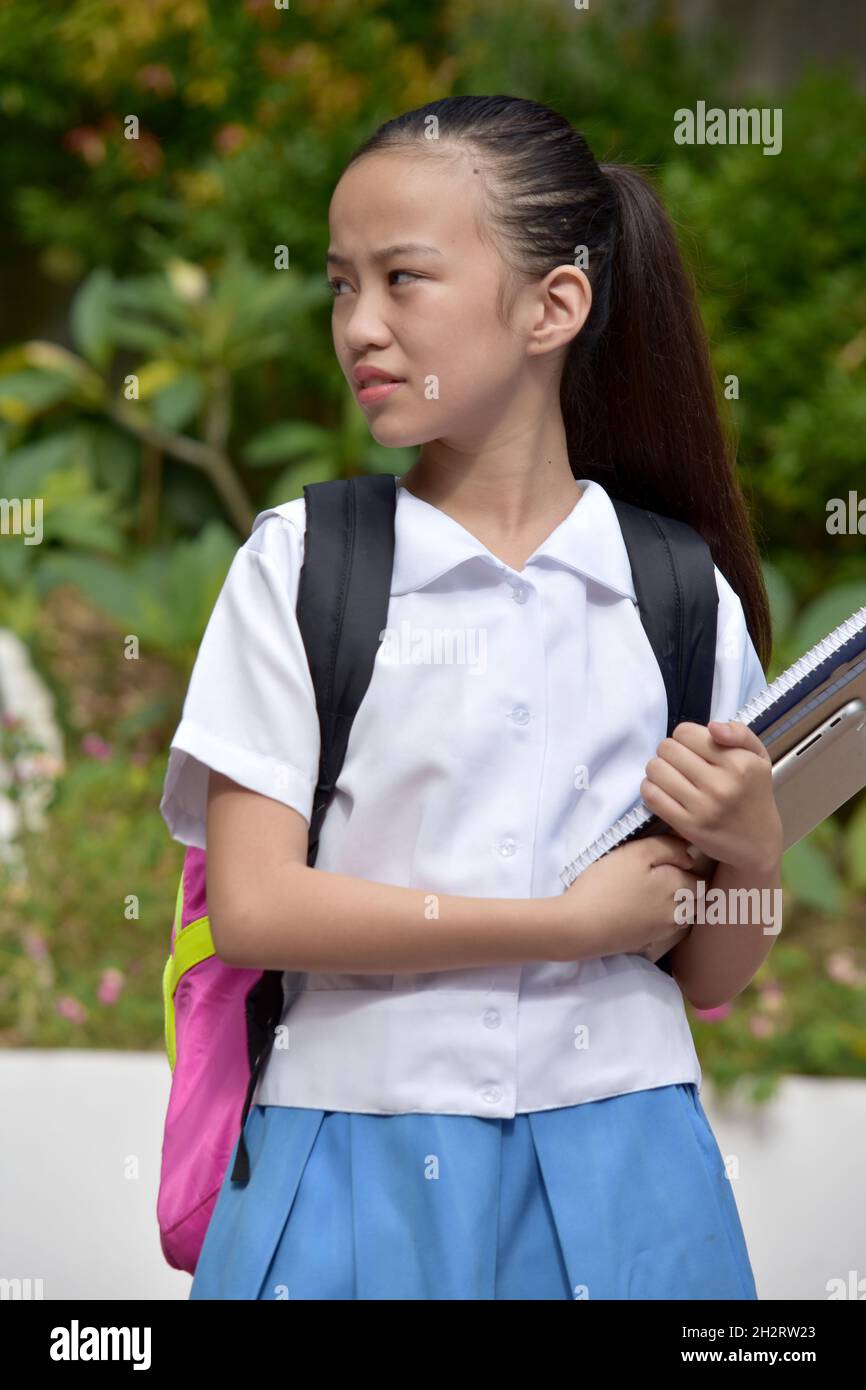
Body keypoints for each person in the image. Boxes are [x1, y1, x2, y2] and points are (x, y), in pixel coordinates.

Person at [159, 94, 782, 1300]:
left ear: (553, 306)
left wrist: (750, 850)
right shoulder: (302, 564)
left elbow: (707, 975)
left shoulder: (671, 588)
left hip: (629, 1166)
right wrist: (560, 926)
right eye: (342, 284)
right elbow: (252, 904)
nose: (360, 326)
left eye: (404, 279)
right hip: (347, 1160)